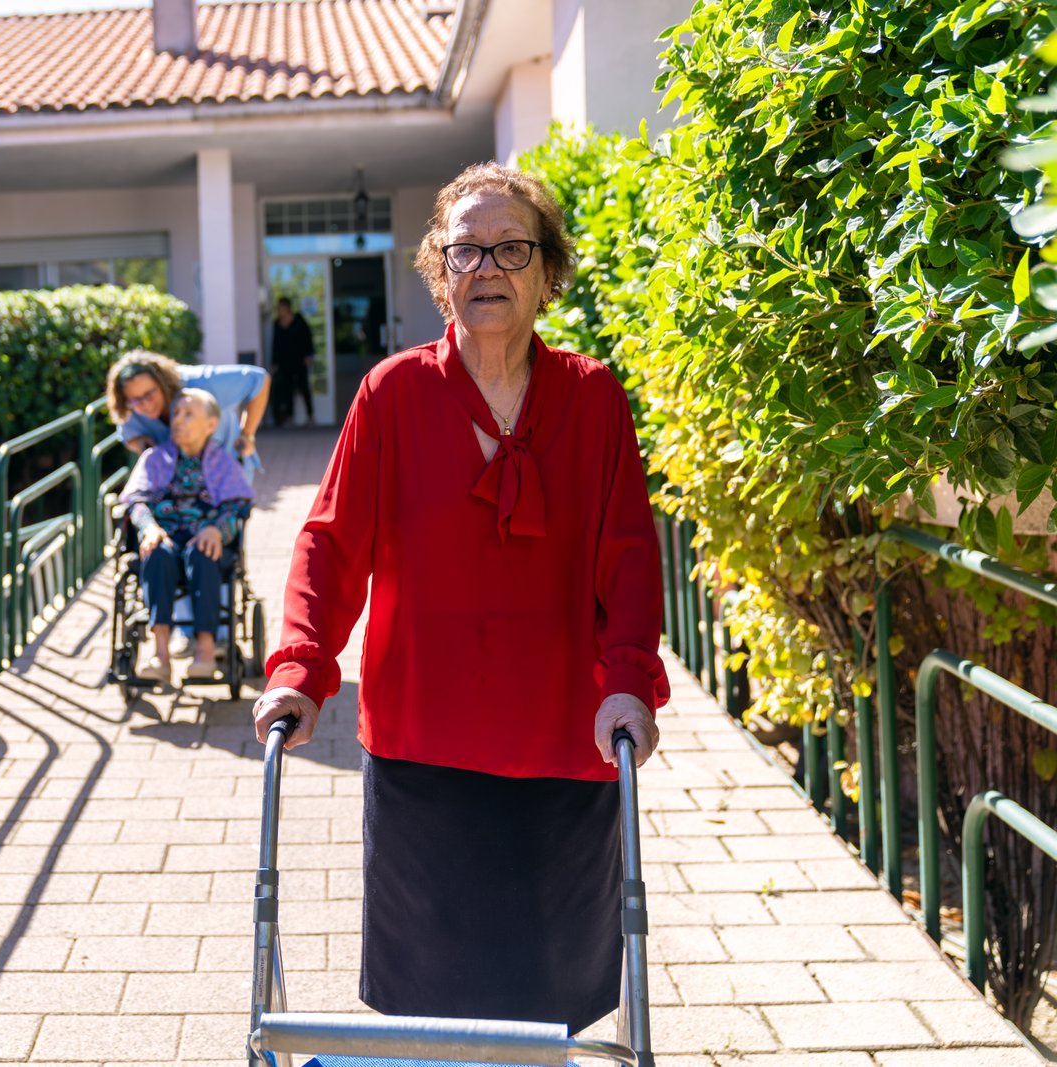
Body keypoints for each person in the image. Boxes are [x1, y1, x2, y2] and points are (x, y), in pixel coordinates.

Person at [250, 161, 668, 1033]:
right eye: (465, 250)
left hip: (563, 743)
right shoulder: (393, 392)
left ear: (548, 274)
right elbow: (330, 542)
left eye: (512, 249)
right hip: (423, 750)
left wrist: (628, 677)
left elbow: (627, 556)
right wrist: (302, 665)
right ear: (439, 275)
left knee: (554, 1004)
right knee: (427, 1011)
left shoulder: (592, 398)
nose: (488, 268)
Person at [120, 389, 253, 685]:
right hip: (165, 537)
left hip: (206, 540)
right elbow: (136, 502)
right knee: (156, 551)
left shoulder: (222, 462)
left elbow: (238, 506)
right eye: (176, 413)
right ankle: (161, 656)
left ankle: (205, 651)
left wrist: (217, 529)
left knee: (203, 550)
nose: (178, 420)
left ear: (211, 424)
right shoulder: (154, 458)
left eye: (188, 414)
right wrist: (150, 528)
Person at [105, 351, 269, 475]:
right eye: (137, 400)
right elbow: (128, 434)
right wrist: (141, 443)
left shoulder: (202, 382)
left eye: (150, 394)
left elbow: (260, 379)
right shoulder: (128, 407)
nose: (146, 404)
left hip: (227, 469)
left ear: (163, 384)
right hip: (178, 484)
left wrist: (247, 434)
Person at [269, 297, 316, 426]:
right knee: (287, 389)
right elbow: (276, 344)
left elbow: (307, 338)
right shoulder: (277, 324)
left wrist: (308, 355)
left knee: (304, 387)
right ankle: (290, 416)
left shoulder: (299, 320)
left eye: (280, 308)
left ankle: (310, 415)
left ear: (287, 308)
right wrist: (275, 362)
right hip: (285, 362)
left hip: (300, 360)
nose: (279, 311)